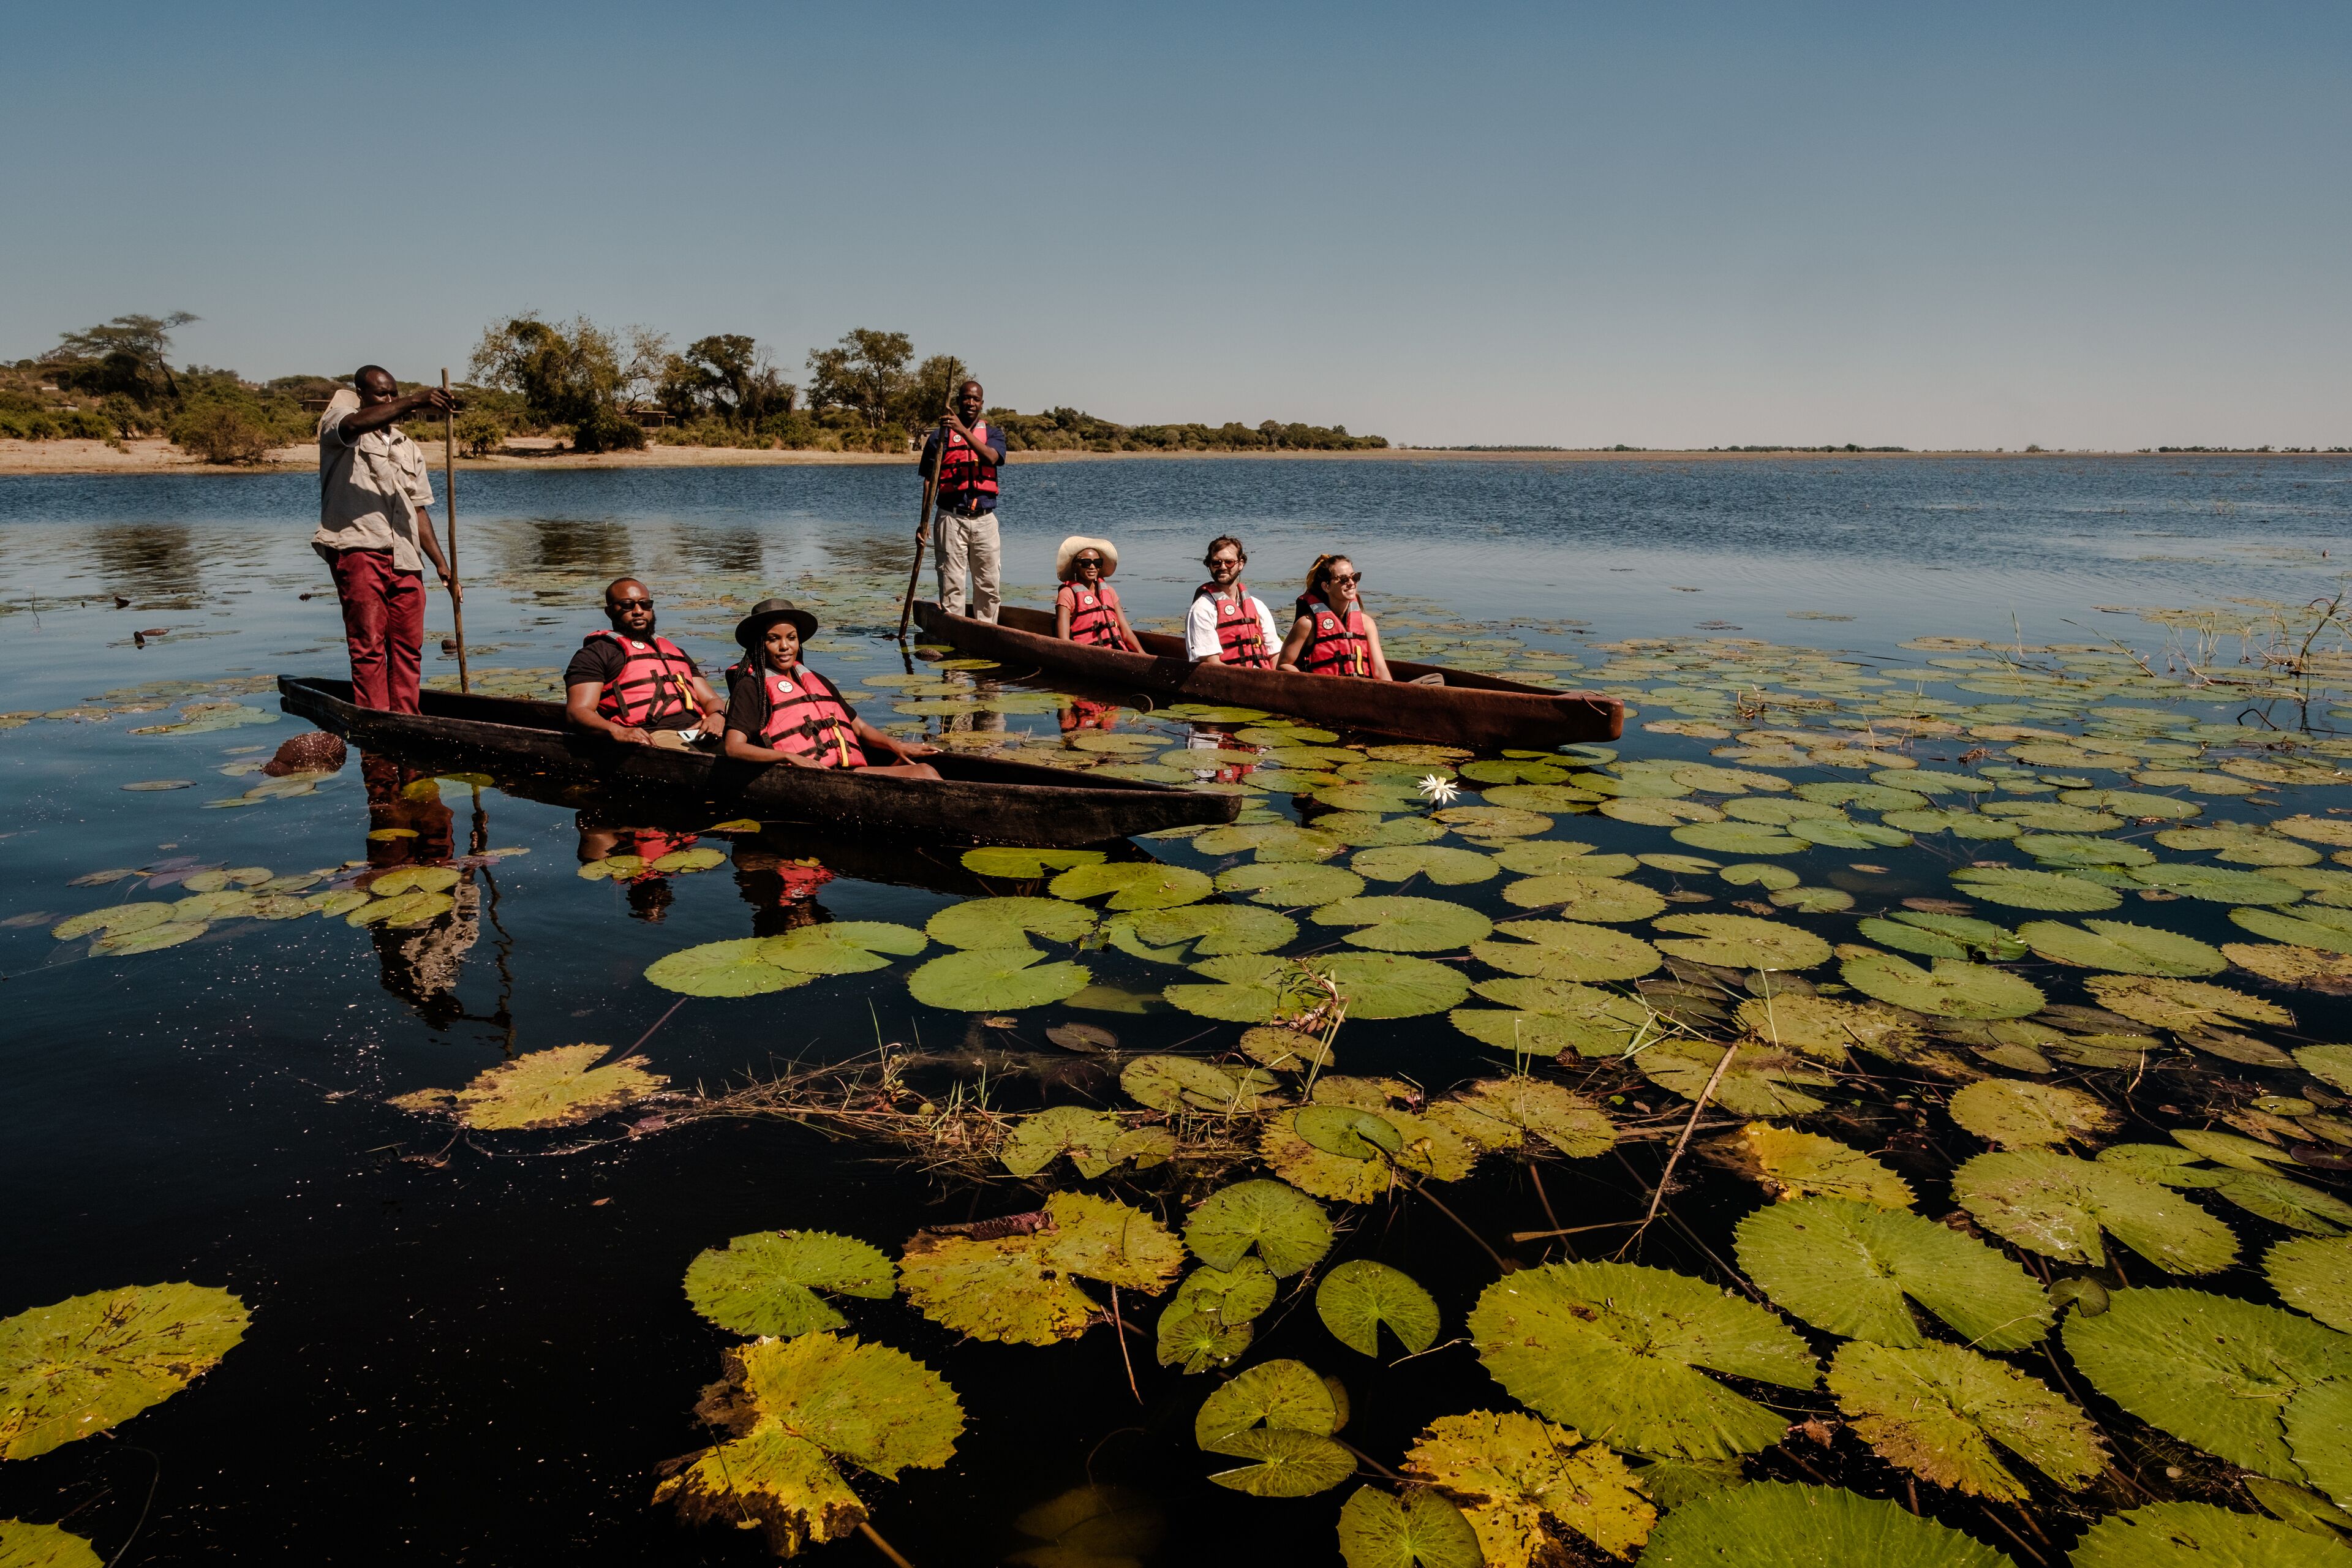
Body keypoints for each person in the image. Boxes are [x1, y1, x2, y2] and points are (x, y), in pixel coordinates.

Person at [313, 366, 461, 712]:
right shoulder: (340, 426)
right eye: (383, 394)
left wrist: (442, 565)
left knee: (409, 645)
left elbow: (418, 510)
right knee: (368, 644)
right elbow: (351, 424)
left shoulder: (407, 446)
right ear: (362, 395)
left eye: (395, 393)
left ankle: (407, 715)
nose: (392, 400)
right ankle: (376, 717)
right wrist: (416, 400)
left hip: (406, 556)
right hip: (359, 548)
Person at [723, 598, 941, 778]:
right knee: (925, 774)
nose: (785, 647)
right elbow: (734, 747)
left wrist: (896, 746)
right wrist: (788, 757)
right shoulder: (751, 687)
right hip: (805, 776)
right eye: (774, 639)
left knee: (925, 770)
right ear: (760, 645)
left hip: (845, 772)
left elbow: (861, 729)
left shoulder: (815, 679)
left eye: (792, 638)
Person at [564, 579, 726, 747]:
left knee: (742, 751)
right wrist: (619, 731)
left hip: (698, 730)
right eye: (627, 605)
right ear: (609, 612)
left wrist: (718, 715)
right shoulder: (595, 654)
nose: (638, 611)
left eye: (645, 604)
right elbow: (578, 713)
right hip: (651, 735)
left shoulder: (676, 652)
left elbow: (711, 699)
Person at [919, 380, 1006, 621]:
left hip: (985, 521)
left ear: (982, 404)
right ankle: (955, 637)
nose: (970, 403)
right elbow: (930, 481)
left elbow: (991, 458)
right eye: (966, 398)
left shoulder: (993, 434)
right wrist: (923, 523)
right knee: (951, 584)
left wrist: (962, 431)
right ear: (958, 401)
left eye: (976, 399)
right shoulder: (939, 438)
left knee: (989, 585)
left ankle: (987, 635)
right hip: (950, 518)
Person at [1277, 553, 1393, 680]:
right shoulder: (1307, 624)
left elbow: (1379, 669)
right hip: (1321, 695)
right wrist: (1314, 685)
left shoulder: (1367, 623)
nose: (1351, 583)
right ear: (1326, 587)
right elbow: (1284, 665)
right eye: (1344, 579)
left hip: (1361, 693)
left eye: (1355, 577)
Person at [1185, 535, 1280, 668]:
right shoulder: (1202, 609)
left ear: (1241, 564)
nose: (1223, 567)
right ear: (1209, 565)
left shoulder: (1258, 606)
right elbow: (1212, 665)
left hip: (1264, 679)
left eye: (1229, 562)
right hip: (1227, 682)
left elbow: (1275, 653)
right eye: (1216, 563)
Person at [1054, 537, 1145, 652]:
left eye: (1097, 563)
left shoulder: (1109, 592)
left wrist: (1143, 655)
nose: (1092, 567)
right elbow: (1063, 640)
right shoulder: (1067, 594)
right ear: (1075, 566)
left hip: (1116, 652)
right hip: (1086, 654)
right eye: (1086, 563)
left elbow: (1126, 632)